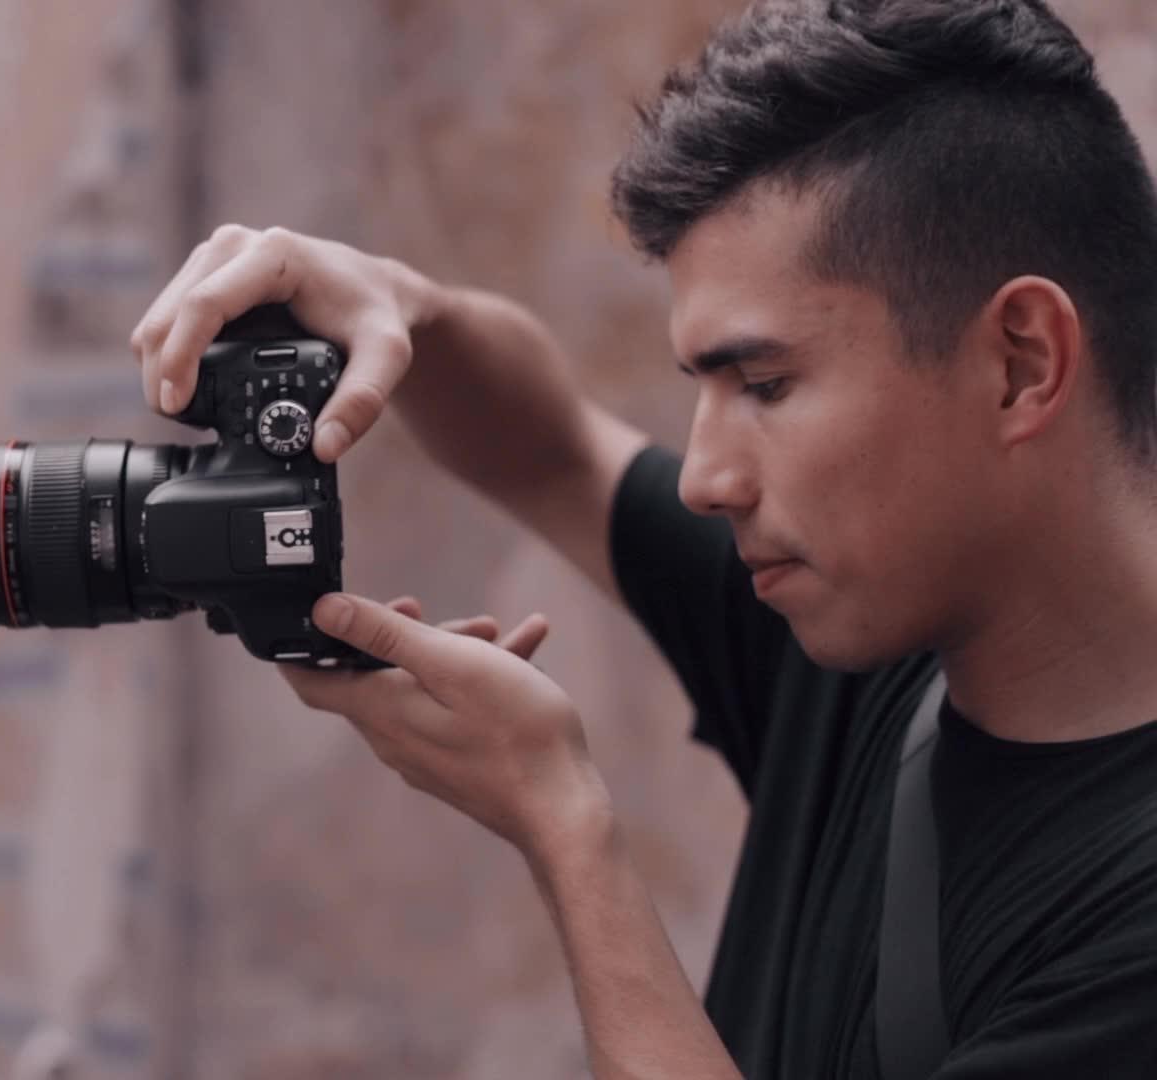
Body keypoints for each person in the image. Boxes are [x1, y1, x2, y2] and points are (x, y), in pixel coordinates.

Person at [130, 0, 1157, 1076]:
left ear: (1021, 363)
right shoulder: (867, 629)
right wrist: (406, 309)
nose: (706, 479)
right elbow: (555, 454)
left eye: (765, 384)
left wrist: (564, 824)